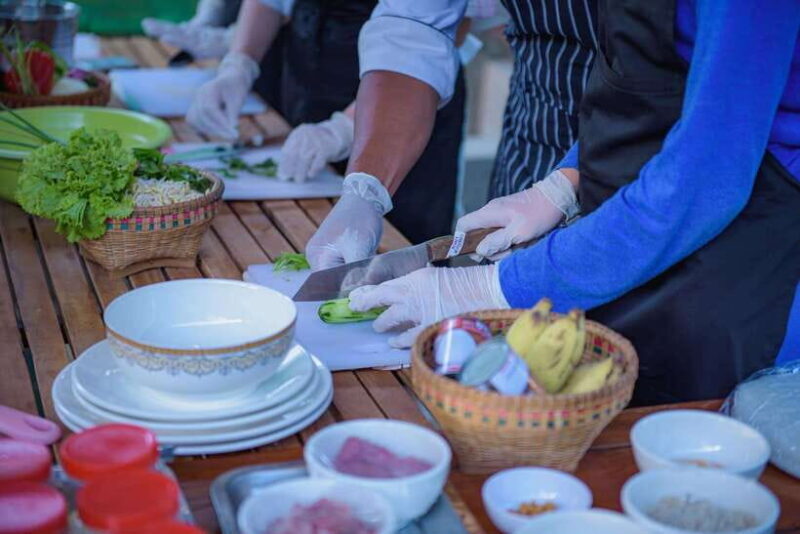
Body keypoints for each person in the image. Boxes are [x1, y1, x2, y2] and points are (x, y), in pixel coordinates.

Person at [345, 0, 800, 405]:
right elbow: (657, 89)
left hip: (743, 259)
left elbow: (705, 181)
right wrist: (564, 183)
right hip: (633, 231)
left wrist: (495, 287)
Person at [181, 0, 478, 246]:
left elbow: (430, 33)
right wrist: (239, 64)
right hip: (309, 66)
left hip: (407, 109)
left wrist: (345, 129)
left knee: (398, 245)